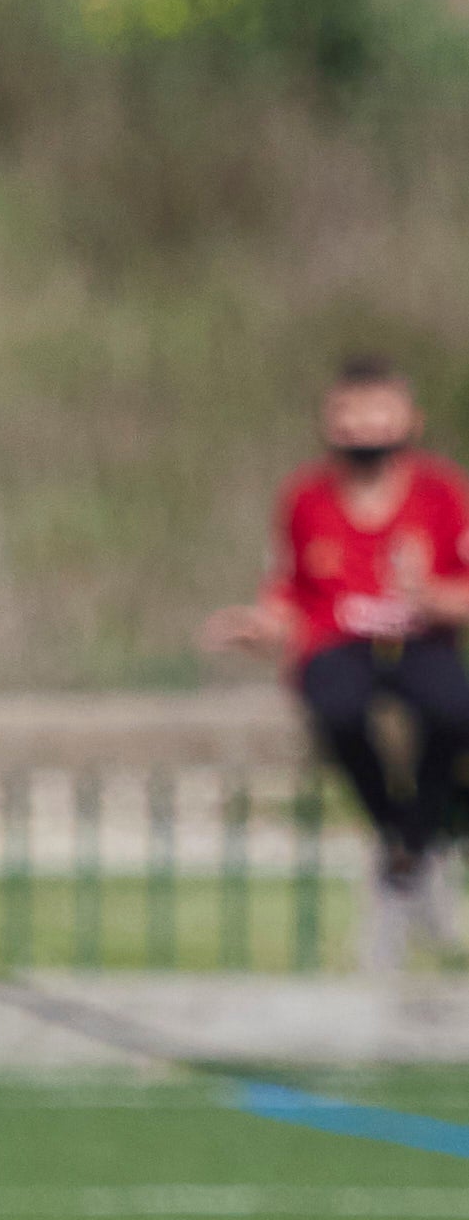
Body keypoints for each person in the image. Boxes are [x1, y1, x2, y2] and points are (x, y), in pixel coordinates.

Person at [201, 357, 469, 957]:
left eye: (378, 414)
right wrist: (257, 626)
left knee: (455, 710)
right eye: (348, 416)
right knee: (336, 707)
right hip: (337, 643)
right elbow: (286, 594)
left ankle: (406, 851)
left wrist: (430, 596)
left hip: (423, 638)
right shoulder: (305, 497)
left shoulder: (444, 492)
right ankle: (408, 849)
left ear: (410, 420)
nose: (363, 430)